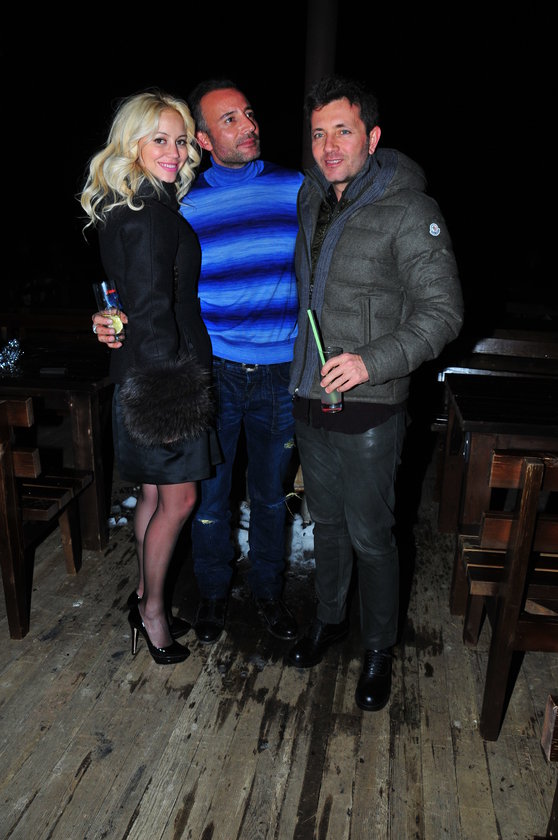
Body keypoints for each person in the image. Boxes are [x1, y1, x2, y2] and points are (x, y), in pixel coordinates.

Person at [93, 80, 303, 644]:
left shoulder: (292, 188)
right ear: (207, 140)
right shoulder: (170, 205)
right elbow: (147, 293)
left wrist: (113, 319)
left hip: (271, 368)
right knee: (196, 498)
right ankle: (190, 602)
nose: (248, 124)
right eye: (228, 119)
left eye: (178, 141)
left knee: (254, 496)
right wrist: (114, 324)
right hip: (195, 376)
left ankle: (250, 595)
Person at [286, 75, 463, 712]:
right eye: (318, 133)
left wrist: (370, 361)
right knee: (327, 525)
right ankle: (331, 620)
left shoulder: (410, 209)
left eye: (344, 131)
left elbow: (444, 312)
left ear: (373, 136)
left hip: (371, 404)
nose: (329, 146)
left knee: (371, 534)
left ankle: (380, 647)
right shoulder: (310, 197)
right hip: (310, 396)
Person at [81, 90, 220, 664]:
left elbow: (128, 300)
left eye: (181, 140)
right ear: (131, 144)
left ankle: (144, 595)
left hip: (143, 375)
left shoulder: (127, 206)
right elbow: (155, 311)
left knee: (155, 497)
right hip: (164, 381)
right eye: (160, 138)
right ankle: (153, 611)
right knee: (180, 500)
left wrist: (112, 321)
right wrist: (168, 399)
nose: (175, 151)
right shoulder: (149, 217)